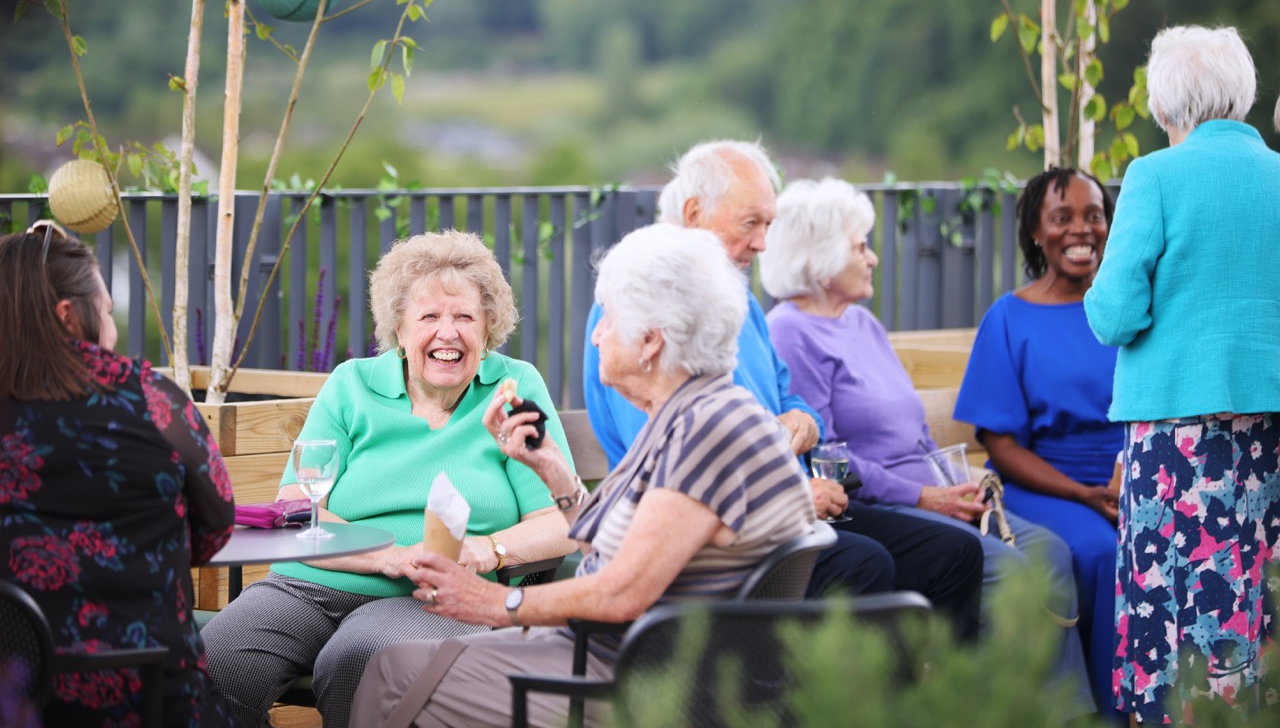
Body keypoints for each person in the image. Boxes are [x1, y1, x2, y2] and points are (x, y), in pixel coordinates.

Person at [349, 223, 817, 727]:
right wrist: (553, 470)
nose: (595, 334)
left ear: (650, 342)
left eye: (609, 320)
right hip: (629, 655)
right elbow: (621, 548)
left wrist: (493, 601)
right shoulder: (695, 415)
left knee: (395, 674)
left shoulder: (707, 434)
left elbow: (621, 593)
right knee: (398, 664)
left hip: (642, 678)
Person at [583, 140, 984, 638]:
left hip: (797, 510)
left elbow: (787, 395)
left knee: (954, 553)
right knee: (864, 567)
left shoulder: (736, 299)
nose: (764, 243)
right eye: (751, 223)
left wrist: (802, 420)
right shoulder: (633, 307)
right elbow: (676, 460)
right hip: (728, 536)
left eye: (769, 225)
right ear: (693, 213)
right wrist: (792, 496)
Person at [202, 230, 578, 728]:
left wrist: (490, 549)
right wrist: (388, 557)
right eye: (428, 317)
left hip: (429, 598)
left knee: (359, 659)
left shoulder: (513, 387)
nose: (448, 333)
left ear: (488, 329)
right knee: (211, 661)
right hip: (308, 585)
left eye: (465, 316)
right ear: (398, 330)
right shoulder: (351, 384)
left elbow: (560, 519)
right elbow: (297, 505)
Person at [760, 177, 1094, 719]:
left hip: (936, 492)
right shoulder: (790, 333)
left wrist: (951, 484)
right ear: (820, 259)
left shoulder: (861, 323)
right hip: (883, 506)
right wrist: (922, 496)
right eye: (859, 245)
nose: (872, 258)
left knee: (1050, 554)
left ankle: (1063, 714)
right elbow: (829, 457)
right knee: (1011, 573)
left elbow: (912, 432)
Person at [1084, 25, 1280, 723]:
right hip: (1270, 433)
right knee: (1255, 595)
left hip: (1178, 439)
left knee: (1174, 605)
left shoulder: (1155, 176)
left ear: (1167, 107)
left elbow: (1113, 314)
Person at [0, 222, 238, 727]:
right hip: (154, 699)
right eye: (106, 311)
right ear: (69, 316)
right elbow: (215, 526)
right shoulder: (151, 401)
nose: (111, 327)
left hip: (18, 702)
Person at [952, 168, 1125, 718]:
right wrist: (1084, 494)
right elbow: (1000, 445)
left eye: (1093, 215)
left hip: (1134, 475)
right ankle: (1101, 712)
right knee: (1101, 552)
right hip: (1044, 483)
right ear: (1034, 231)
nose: (1082, 229)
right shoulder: (1008, 319)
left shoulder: (1129, 312)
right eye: (1062, 217)